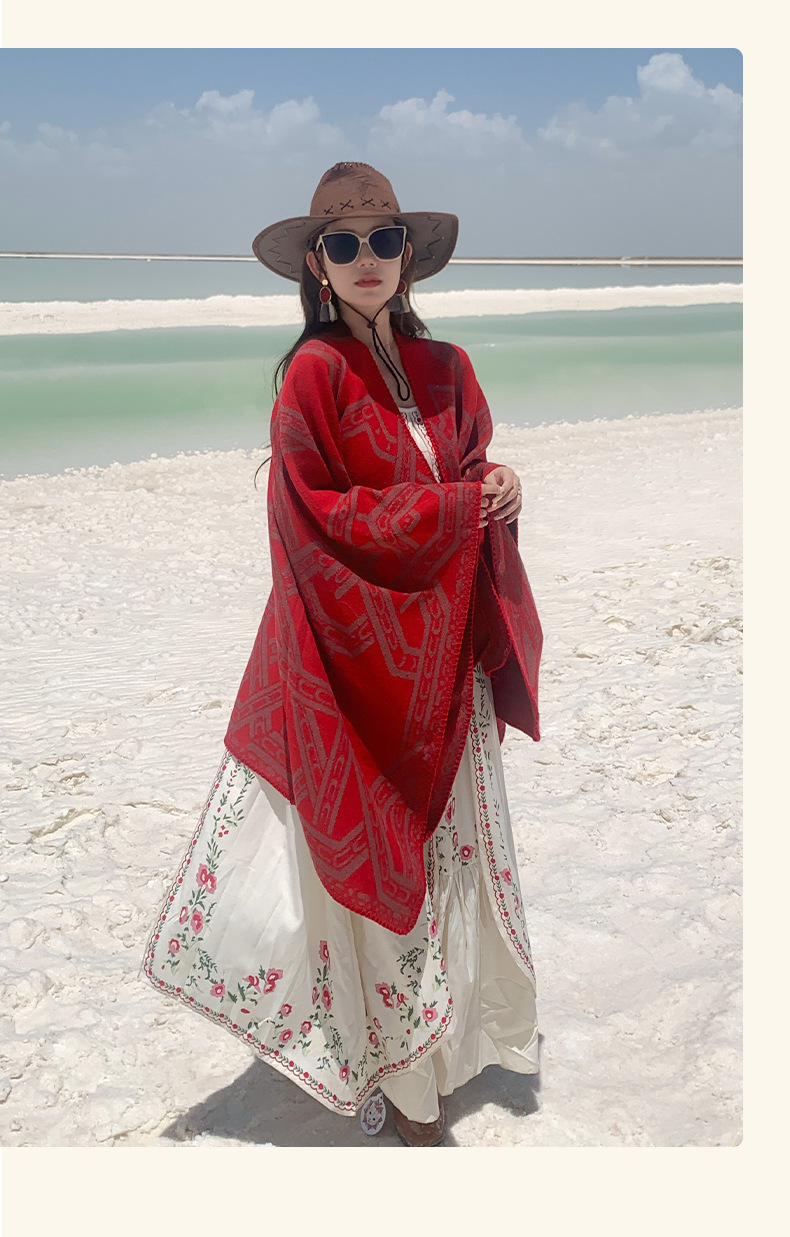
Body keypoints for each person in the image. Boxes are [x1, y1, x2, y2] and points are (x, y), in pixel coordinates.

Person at [141, 162, 543, 1147]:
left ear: (410, 257)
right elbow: (314, 517)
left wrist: (496, 485)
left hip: (440, 657)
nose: (368, 258)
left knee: (443, 857)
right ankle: (401, 1084)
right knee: (366, 855)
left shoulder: (448, 368)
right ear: (317, 266)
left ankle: (434, 1055)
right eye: (344, 243)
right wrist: (454, 508)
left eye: (384, 239)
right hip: (349, 658)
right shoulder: (313, 375)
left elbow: (463, 466)